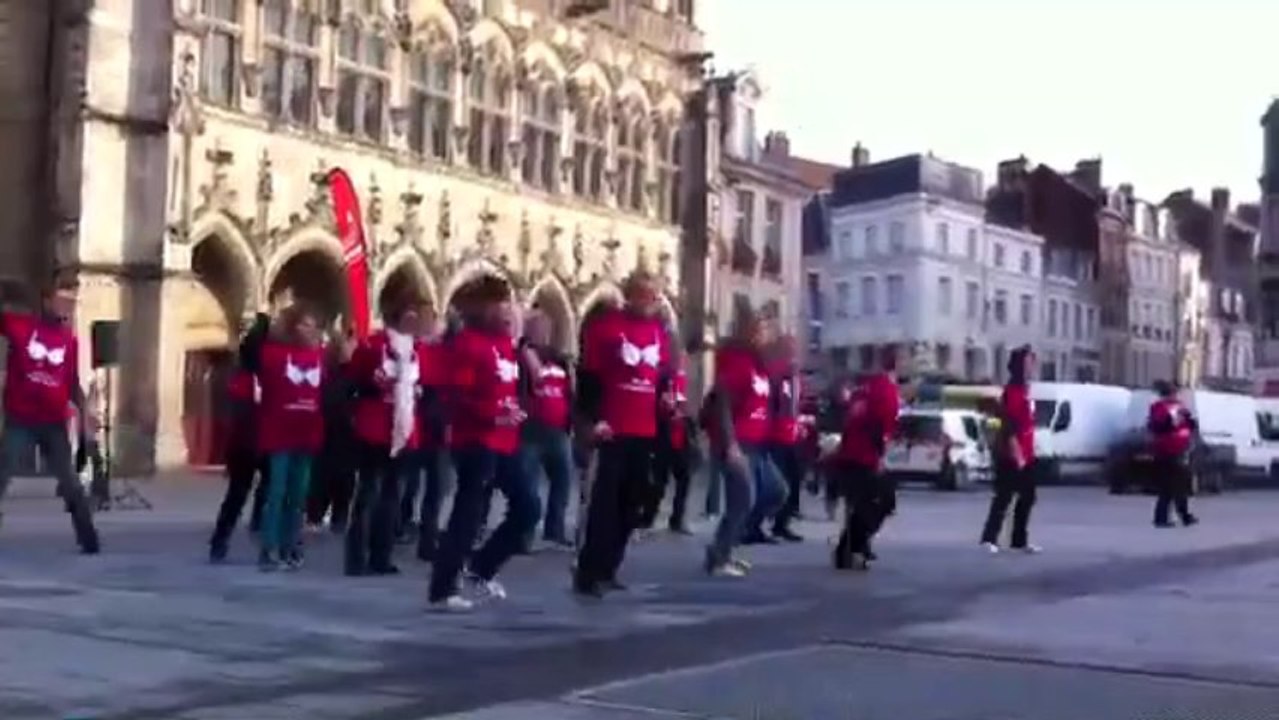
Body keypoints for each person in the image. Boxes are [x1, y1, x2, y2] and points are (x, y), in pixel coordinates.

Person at [429, 275, 538, 612]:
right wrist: (492, 416)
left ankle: (481, 568)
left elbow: (511, 389)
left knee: (528, 506)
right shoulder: (467, 345)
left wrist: (517, 409)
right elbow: (456, 397)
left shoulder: (506, 345)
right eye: (499, 304)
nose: (507, 311)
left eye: (509, 303)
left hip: (505, 440)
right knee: (469, 512)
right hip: (476, 440)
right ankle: (443, 587)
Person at [574, 271, 670, 597]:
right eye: (645, 294)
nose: (652, 300)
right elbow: (588, 377)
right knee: (604, 504)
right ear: (631, 295)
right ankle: (589, 571)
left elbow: (662, 376)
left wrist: (666, 400)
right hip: (613, 427)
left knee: (634, 502)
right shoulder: (606, 327)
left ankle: (610, 566)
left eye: (655, 294)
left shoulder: (659, 331)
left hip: (646, 428)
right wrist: (593, 419)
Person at [0, 277, 99, 553]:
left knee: (69, 480)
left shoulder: (70, 341)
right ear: (46, 301)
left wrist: (84, 409)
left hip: (53, 421)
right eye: (61, 300)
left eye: (71, 302)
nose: (66, 307)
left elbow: (70, 381)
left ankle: (88, 539)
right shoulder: (21, 327)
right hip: (21, 418)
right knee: (2, 473)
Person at [345, 291, 431, 576]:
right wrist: (374, 385)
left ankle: (381, 555)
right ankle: (356, 557)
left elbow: (427, 386)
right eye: (414, 314)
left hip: (405, 430)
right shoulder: (374, 345)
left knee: (392, 496)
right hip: (375, 428)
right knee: (368, 493)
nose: (418, 321)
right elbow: (354, 378)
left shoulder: (420, 351)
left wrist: (417, 392)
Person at [704, 310, 787, 577]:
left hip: (758, 444)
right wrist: (730, 446)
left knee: (777, 491)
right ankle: (720, 558)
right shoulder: (737, 362)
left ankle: (725, 545)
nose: (764, 335)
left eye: (766, 330)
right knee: (741, 500)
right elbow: (723, 404)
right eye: (759, 330)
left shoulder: (759, 364)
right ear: (747, 331)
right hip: (738, 442)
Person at [209, 314, 271, 562]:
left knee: (239, 494)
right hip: (255, 439)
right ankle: (249, 530)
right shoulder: (251, 375)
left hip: (247, 441)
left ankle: (221, 539)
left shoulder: (242, 376)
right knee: (254, 491)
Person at [832, 351, 900, 571]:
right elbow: (879, 426)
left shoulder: (863, 388)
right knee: (881, 502)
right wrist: (879, 456)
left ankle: (855, 548)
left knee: (862, 504)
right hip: (865, 456)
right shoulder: (885, 389)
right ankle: (851, 549)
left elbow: (851, 419)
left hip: (849, 455)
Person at [518, 311, 576, 549]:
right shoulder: (520, 356)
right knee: (528, 487)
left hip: (558, 430)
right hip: (530, 432)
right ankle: (525, 535)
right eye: (536, 327)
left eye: (545, 328)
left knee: (563, 481)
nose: (541, 332)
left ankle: (555, 529)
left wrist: (571, 420)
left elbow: (570, 392)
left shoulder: (560, 359)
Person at [980, 345, 1041, 554]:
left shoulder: (1026, 391)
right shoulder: (1013, 392)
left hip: (1028, 452)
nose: (1032, 365)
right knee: (1004, 496)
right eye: (1028, 362)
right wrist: (1018, 454)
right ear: (1019, 366)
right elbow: (1010, 425)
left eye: (1032, 361)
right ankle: (989, 538)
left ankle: (1019, 539)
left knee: (1028, 496)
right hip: (1013, 454)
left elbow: (1027, 422)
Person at [304, 330, 358, 534]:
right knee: (341, 478)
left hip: (327, 432)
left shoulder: (324, 371)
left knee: (323, 475)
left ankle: (316, 515)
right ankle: (336, 517)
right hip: (342, 432)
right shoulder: (348, 374)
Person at [640, 342, 694, 535]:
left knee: (684, 478)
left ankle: (677, 519)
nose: (682, 362)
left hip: (680, 435)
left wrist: (685, 416)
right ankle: (647, 517)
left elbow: (687, 404)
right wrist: (666, 412)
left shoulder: (684, 379)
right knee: (659, 480)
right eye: (679, 358)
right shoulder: (662, 377)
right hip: (663, 434)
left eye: (683, 359)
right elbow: (655, 403)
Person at [759, 334, 805, 543]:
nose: (794, 353)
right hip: (776, 435)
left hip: (792, 435)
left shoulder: (796, 375)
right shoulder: (776, 371)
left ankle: (782, 523)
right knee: (777, 483)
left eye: (795, 348)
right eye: (790, 348)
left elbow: (794, 405)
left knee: (795, 479)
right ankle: (759, 521)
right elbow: (772, 403)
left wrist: (799, 424)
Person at [1148, 380, 1199, 528]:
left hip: (1180, 450)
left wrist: (1190, 421)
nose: (1176, 396)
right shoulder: (1159, 407)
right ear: (1167, 394)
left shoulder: (1180, 407)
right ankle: (1162, 518)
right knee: (1168, 487)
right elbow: (1157, 427)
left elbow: (1190, 424)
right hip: (1165, 451)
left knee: (1180, 486)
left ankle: (1183, 515)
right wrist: (1172, 422)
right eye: (1173, 393)